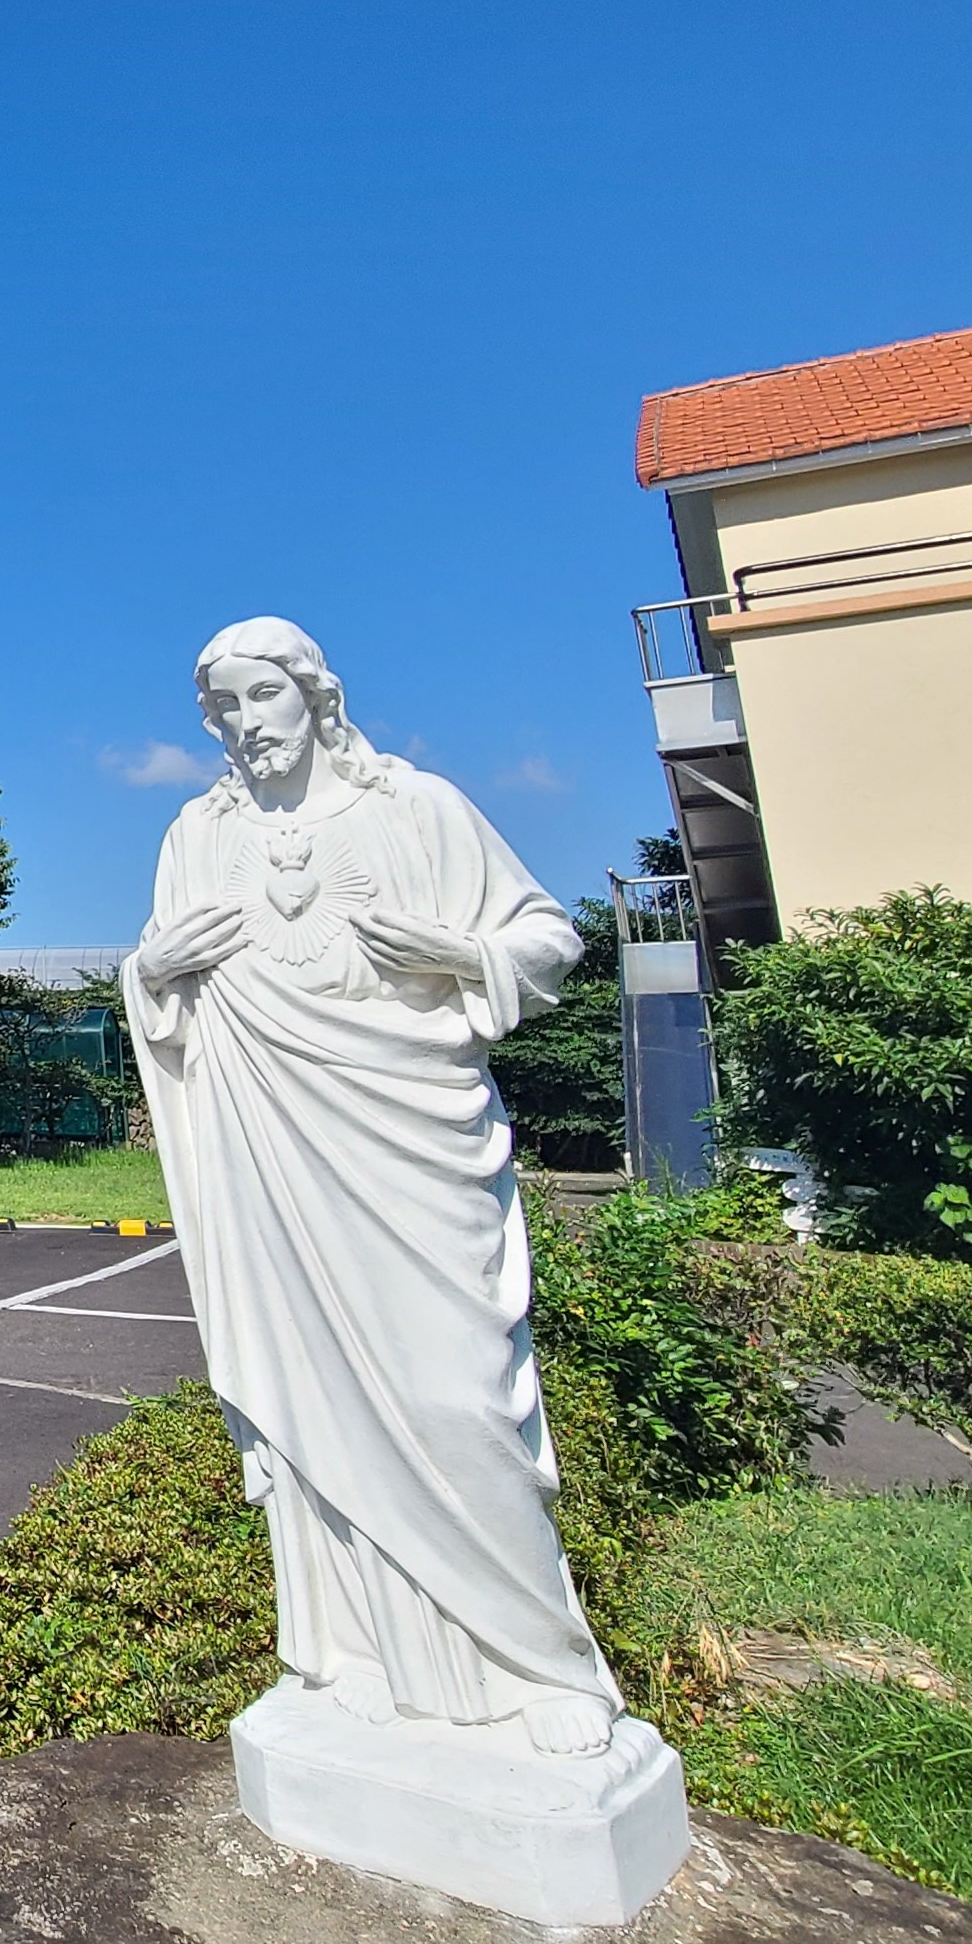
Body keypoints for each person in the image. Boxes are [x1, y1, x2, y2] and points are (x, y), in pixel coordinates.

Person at [121, 616, 616, 1755]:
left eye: (263, 695)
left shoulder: (417, 808)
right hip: (271, 1158)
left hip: (412, 1140)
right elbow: (160, 995)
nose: (245, 724)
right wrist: (150, 973)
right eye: (223, 707)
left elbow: (546, 938)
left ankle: (540, 1659)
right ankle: (352, 1650)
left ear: (316, 695)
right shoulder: (196, 835)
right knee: (310, 1395)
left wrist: (458, 955)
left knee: (459, 1394)